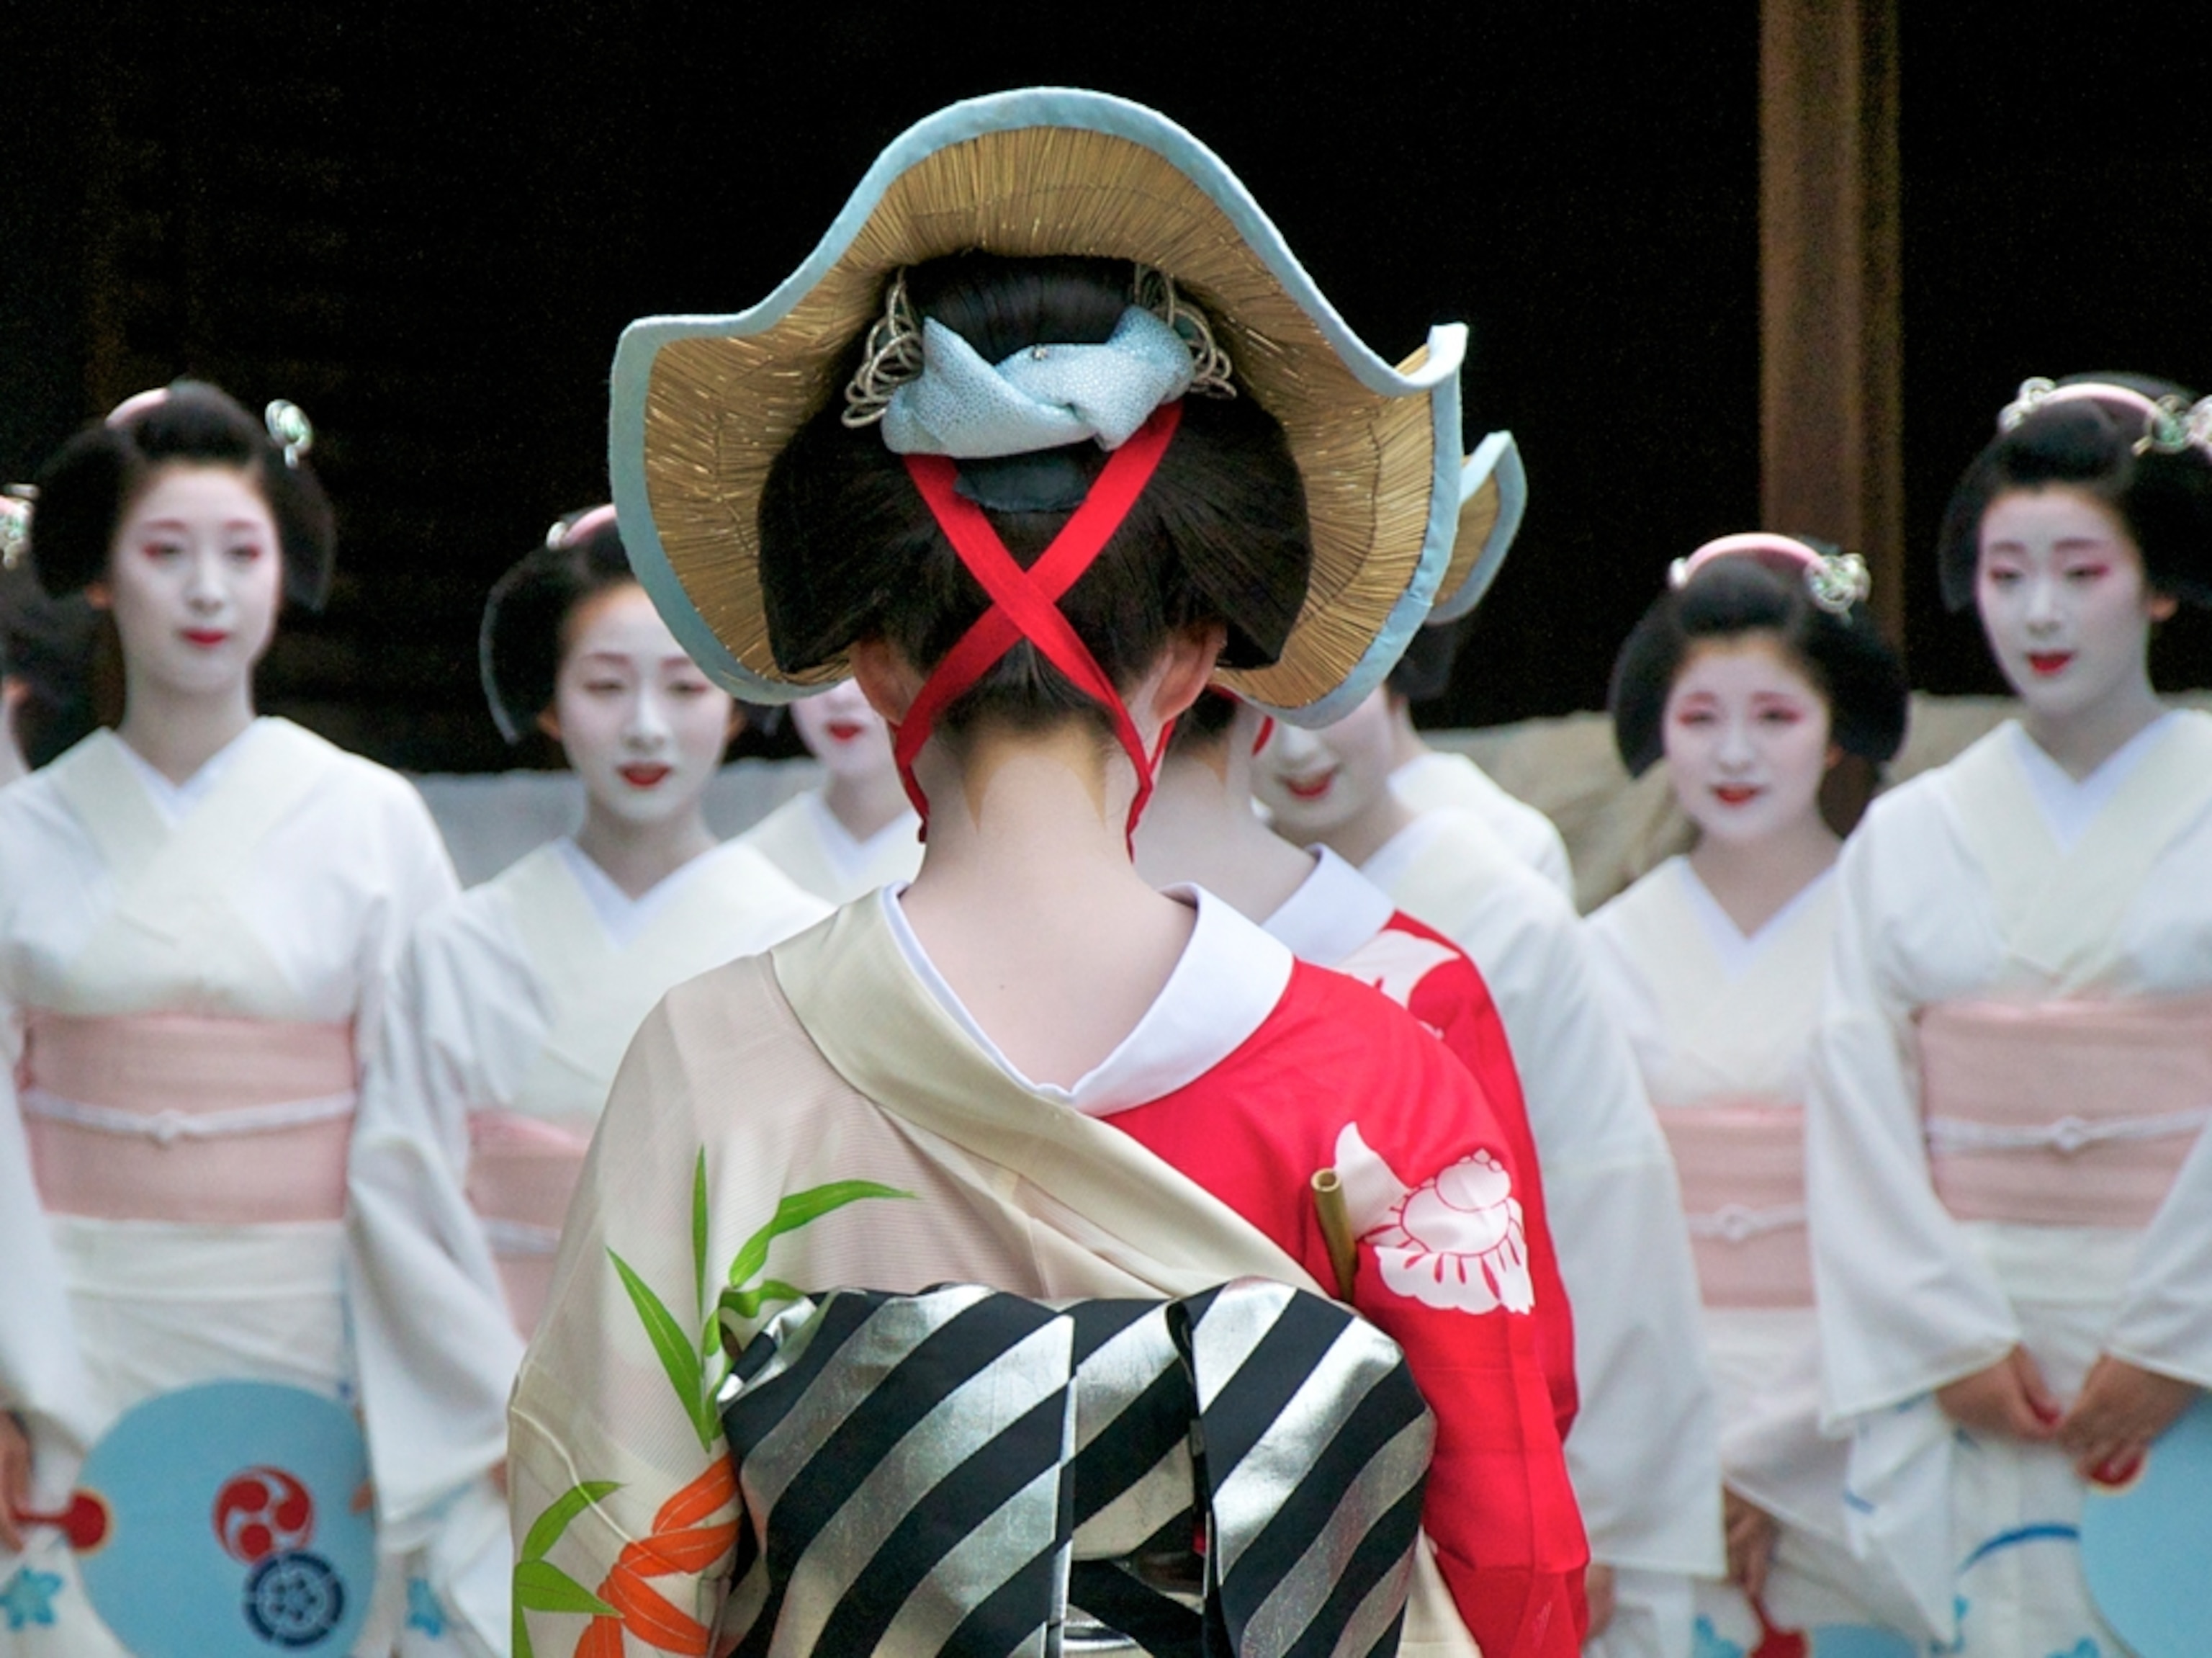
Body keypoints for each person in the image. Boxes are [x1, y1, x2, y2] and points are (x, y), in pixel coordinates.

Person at [508, 89, 1586, 1658]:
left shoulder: (715, 1065)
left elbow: (601, 1568)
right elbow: (1514, 1570)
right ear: (1201, 651)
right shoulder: (1387, 1089)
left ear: (868, 655)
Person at [0, 382, 467, 1656]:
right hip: (65, 1326)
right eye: (165, 553)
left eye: (240, 553)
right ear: (99, 575)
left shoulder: (372, 822)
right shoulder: (19, 834)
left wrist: (426, 1363)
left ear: (283, 571)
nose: (207, 590)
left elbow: (430, 1122)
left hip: (314, 1322)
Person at [344, 508, 830, 1649]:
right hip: (490, 1441)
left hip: (709, 1443)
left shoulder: (802, 944)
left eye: (683, 685)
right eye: (607, 685)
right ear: (549, 704)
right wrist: (519, 1426)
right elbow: (399, 1200)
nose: (647, 724)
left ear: (737, 701)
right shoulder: (459, 946)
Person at [1805, 374, 2212, 1656]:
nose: (2037, 610)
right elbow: (1856, 1099)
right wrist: (1944, 1341)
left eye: (2080, 569)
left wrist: (2176, 1337)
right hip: (1977, 1337)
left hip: (2183, 1322)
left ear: (2158, 584)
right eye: (2004, 570)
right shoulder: (1910, 830)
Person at [1255, 683, 1719, 1658]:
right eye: (1264, 707)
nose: (1298, 750)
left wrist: (1590, 1499)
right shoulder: (1202, 900)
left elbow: (1601, 1201)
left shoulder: (1501, 904)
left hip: (1472, 1435)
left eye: (1327, 700)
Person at [1583, 534, 1913, 1654]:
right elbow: (1582, 1234)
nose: (1734, 752)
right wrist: (1666, 1460)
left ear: (1835, 730)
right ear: (1653, 727)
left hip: (1862, 1391)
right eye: (1698, 716)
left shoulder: (1898, 930)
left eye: (1774, 716)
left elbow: (1924, 1211)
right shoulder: (1600, 950)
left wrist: (1771, 1461)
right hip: (1648, 1400)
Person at [737, 676, 920, 903]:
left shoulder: (968, 855)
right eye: (816, 666)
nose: (839, 696)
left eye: (869, 665)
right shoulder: (749, 864)